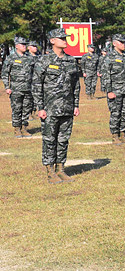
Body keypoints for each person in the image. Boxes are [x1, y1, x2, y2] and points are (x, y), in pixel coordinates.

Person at [32, 28, 81, 184]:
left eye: (65, 38)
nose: (64, 40)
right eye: (61, 38)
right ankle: (50, 171)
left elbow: (76, 85)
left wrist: (76, 104)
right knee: (49, 140)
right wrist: (40, 107)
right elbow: (36, 84)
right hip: (50, 108)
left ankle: (61, 169)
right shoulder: (43, 61)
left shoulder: (71, 60)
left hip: (67, 107)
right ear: (52, 41)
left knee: (63, 140)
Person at [102, 34, 125, 145]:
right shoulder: (109, 57)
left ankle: (123, 134)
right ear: (114, 43)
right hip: (115, 90)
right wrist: (109, 91)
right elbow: (106, 75)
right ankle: (115, 135)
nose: (124, 44)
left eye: (124, 42)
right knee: (115, 113)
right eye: (121, 42)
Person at [2, 36, 35, 137]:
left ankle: (24, 128)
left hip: (28, 89)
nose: (24, 46)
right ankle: (17, 129)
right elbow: (5, 73)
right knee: (17, 109)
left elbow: (34, 73)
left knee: (26, 109)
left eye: (25, 44)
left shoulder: (29, 58)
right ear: (16, 46)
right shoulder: (11, 58)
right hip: (15, 89)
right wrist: (7, 87)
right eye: (22, 44)